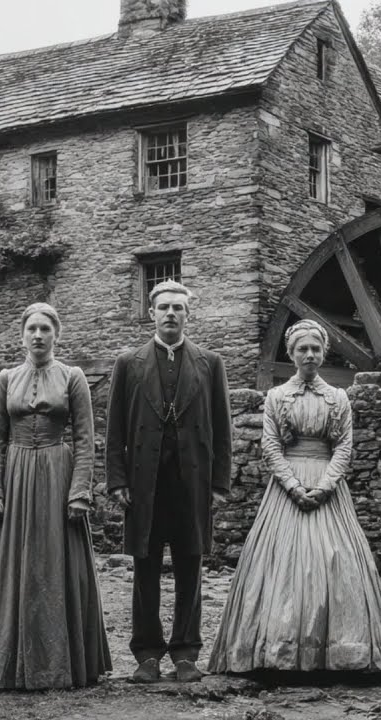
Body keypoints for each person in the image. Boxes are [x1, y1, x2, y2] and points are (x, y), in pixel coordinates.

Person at [208, 319, 381, 674]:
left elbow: (343, 446)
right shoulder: (277, 397)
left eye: (315, 348)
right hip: (287, 488)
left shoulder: (338, 398)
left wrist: (325, 485)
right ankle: (276, 653)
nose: (309, 354)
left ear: (323, 353)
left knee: (336, 560)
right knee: (283, 564)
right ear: (291, 354)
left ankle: (341, 654)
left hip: (328, 486)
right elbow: (270, 446)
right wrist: (294, 486)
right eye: (302, 349)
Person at [0, 302, 112, 689]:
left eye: (46, 329)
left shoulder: (73, 377)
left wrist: (80, 491)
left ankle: (62, 665)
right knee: (11, 567)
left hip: (57, 476)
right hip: (14, 477)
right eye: (32, 328)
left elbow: (85, 439)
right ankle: (5, 664)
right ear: (22, 335)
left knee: (54, 565)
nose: (38, 335)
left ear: (56, 334)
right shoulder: (5, 379)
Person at [105, 280, 233, 684]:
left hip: (191, 483)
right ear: (152, 313)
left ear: (188, 315)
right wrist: (117, 480)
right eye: (164, 308)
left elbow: (222, 429)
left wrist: (218, 485)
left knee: (190, 567)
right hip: (145, 483)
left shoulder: (210, 363)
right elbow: (115, 430)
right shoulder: (128, 363)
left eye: (178, 308)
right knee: (144, 570)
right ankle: (147, 656)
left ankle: (185, 653)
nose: (171, 314)